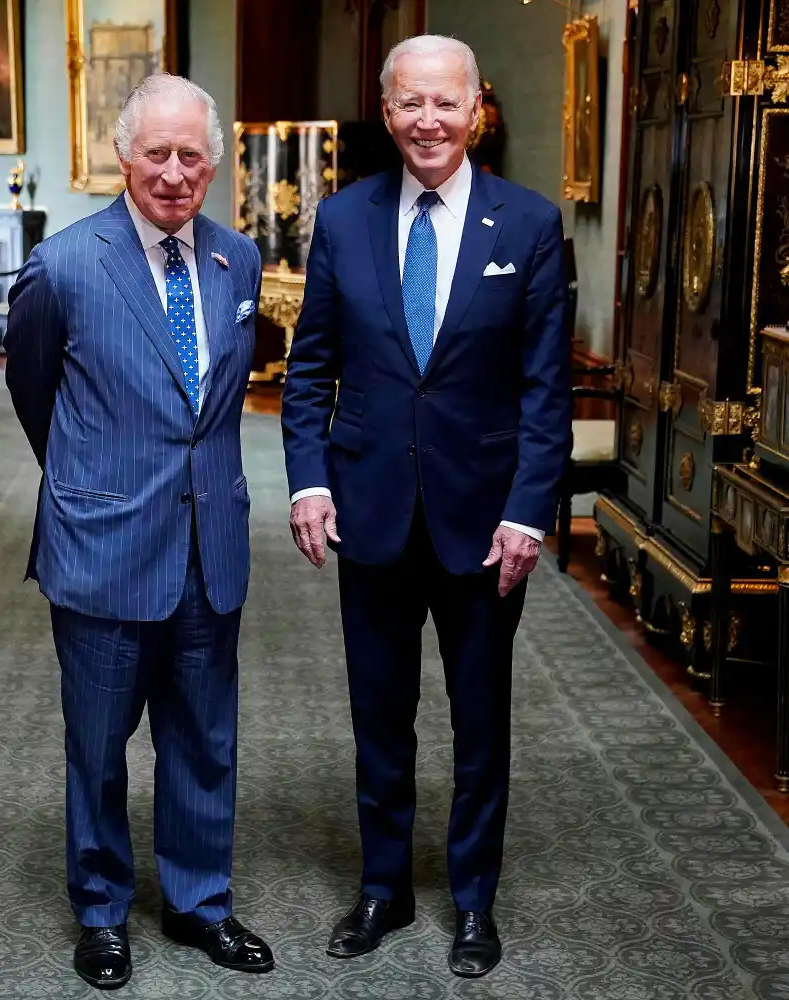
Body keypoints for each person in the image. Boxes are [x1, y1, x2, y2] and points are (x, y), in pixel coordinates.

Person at [281, 34, 571, 979]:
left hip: (486, 525)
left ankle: (475, 900)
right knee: (380, 716)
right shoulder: (344, 218)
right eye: (411, 103)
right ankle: (383, 890)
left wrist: (529, 510)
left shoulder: (526, 225)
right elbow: (311, 368)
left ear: (476, 110)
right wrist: (311, 479)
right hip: (369, 512)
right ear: (387, 106)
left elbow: (543, 391)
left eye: (447, 103)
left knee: (480, 721)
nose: (429, 121)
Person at [4, 73, 273, 991]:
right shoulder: (66, 264)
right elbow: (33, 389)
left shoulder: (238, 260)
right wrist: (93, 478)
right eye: (153, 152)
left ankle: (201, 904)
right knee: (99, 742)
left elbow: (223, 406)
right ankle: (103, 912)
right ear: (122, 155)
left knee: (204, 738)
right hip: (103, 547)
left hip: (212, 548)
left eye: (189, 154)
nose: (171, 172)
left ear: (215, 163)